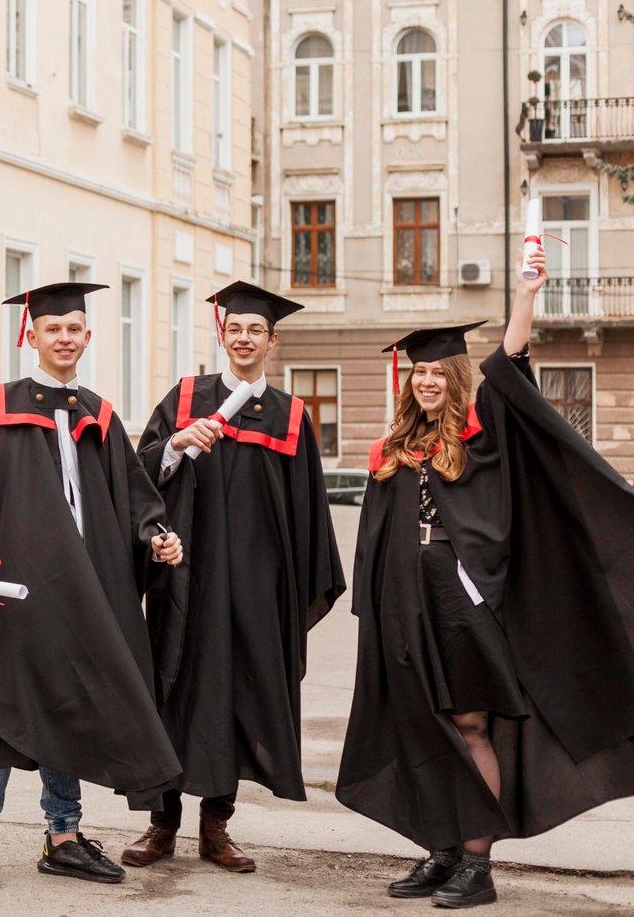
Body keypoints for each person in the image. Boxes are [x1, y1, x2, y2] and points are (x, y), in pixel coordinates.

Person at [337, 243, 634, 908]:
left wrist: (525, 297)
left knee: (470, 722)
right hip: (400, 603)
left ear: (455, 376)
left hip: (462, 600)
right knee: (422, 723)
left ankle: (477, 862)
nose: (428, 380)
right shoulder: (392, 449)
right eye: (419, 372)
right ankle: (441, 850)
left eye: (439, 371)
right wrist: (373, 612)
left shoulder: (482, 431)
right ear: (407, 380)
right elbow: (373, 536)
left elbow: (511, 366)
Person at [0, 281, 184, 892]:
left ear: (87, 337)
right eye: (53, 329)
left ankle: (64, 838)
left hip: (87, 589)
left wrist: (158, 535)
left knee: (70, 706)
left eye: (75, 328)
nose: (65, 338)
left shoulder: (100, 413)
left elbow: (133, 497)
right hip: (17, 589)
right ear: (32, 336)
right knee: (4, 710)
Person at [128, 282, 345, 874]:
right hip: (186, 583)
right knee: (173, 690)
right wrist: (174, 445)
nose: (245, 338)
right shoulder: (185, 398)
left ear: (272, 341)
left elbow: (308, 510)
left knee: (240, 701)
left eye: (256, 330)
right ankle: (161, 825)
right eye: (235, 329)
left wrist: (296, 588)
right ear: (222, 336)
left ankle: (216, 827)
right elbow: (137, 477)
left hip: (256, 590)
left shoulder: (291, 416)